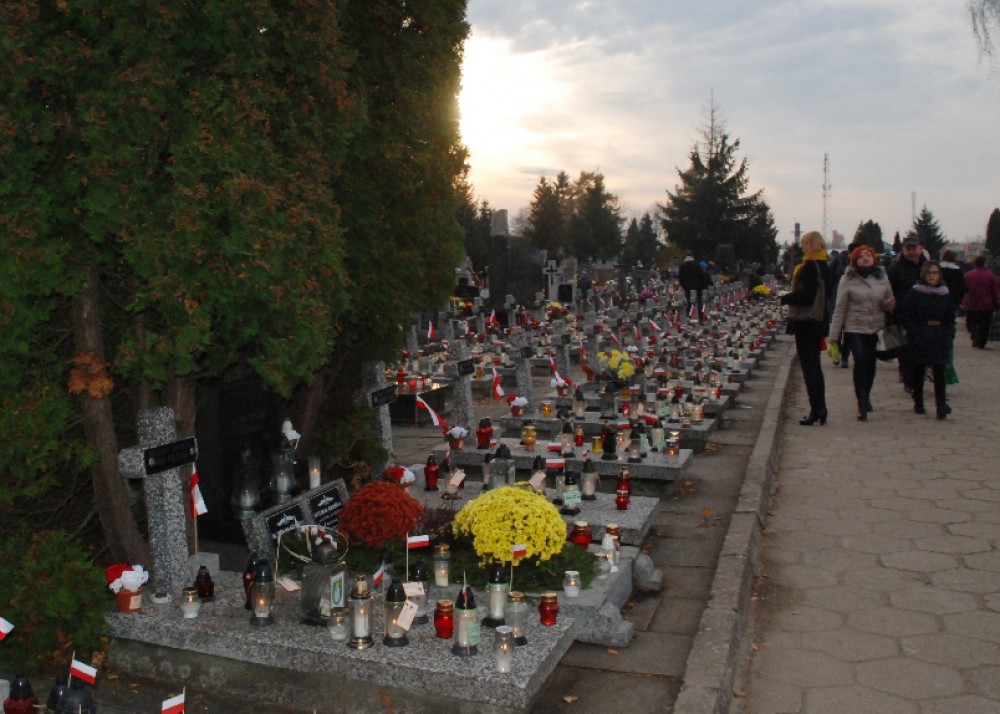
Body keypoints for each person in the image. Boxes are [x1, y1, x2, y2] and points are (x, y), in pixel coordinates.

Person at [828, 245, 895, 421]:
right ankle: (861, 402)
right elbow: (840, 308)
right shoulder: (848, 279)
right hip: (855, 326)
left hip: (875, 326)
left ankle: (867, 394)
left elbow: (890, 300)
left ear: (874, 258)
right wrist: (834, 336)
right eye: (861, 256)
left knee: (871, 364)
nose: (865, 258)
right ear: (855, 261)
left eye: (868, 255)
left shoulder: (882, 276)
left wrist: (889, 304)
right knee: (860, 361)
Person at [781, 231, 833, 426]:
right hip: (818, 320)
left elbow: (805, 296)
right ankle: (820, 408)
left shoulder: (810, 266)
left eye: (804, 245)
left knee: (809, 367)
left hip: (807, 322)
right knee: (815, 366)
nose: (803, 248)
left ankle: (817, 409)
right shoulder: (824, 264)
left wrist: (783, 298)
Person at [899, 262, 956, 419]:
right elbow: (906, 315)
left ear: (939, 274)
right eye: (928, 272)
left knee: (939, 372)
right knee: (919, 370)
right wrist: (915, 333)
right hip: (921, 335)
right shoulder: (915, 292)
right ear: (923, 274)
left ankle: (941, 405)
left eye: (934, 272)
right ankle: (918, 401)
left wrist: (949, 335)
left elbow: (950, 317)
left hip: (939, 335)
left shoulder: (945, 293)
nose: (932, 275)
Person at [887, 237, 927, 391]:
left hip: (923, 315)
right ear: (903, 251)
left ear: (919, 249)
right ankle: (909, 380)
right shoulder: (895, 269)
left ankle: (916, 376)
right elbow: (889, 291)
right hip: (902, 315)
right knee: (905, 350)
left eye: (913, 249)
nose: (911, 252)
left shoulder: (927, 267)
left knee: (921, 349)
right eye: (908, 249)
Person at [963, 255, 1000, 348]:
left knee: (971, 322)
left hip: (972, 303)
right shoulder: (992, 276)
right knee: (985, 325)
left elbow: (964, 289)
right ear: (985, 263)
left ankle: (975, 335)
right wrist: (997, 304)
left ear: (975, 263)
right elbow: (995, 292)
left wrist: (963, 301)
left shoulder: (968, 275)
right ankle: (981, 342)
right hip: (987, 304)